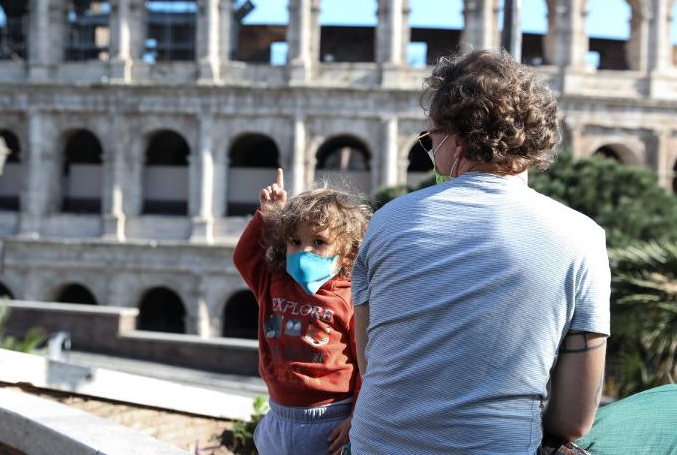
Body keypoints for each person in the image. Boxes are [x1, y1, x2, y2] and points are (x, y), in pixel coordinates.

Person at [350, 50, 610, 455]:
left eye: (429, 140)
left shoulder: (387, 222)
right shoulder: (583, 237)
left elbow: (373, 366)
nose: (430, 152)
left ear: (454, 138)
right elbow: (574, 419)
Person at [233, 168, 371, 455]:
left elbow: (365, 366)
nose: (303, 251)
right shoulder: (274, 282)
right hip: (279, 415)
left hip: (330, 419)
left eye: (318, 242)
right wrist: (269, 215)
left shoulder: (350, 296)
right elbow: (244, 257)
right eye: (295, 242)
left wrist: (356, 418)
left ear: (346, 251)